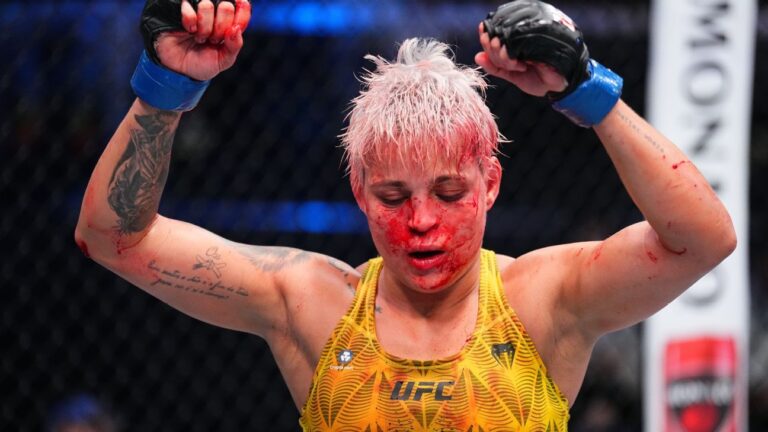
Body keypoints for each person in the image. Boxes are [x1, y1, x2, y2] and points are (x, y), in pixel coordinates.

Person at [75, 0, 736, 430]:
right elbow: (114, 237)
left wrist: (590, 92)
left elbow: (703, 239)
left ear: (490, 184)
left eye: (448, 193)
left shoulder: (542, 301)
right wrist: (165, 89)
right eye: (394, 197)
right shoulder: (312, 304)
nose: (421, 220)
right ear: (360, 192)